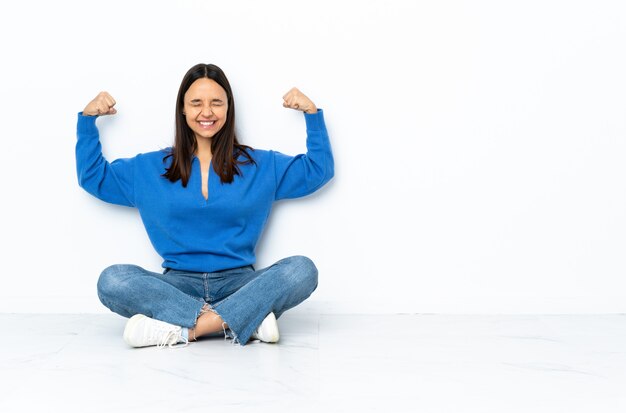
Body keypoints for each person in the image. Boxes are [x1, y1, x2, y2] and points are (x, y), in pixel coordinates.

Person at [75, 63, 334, 348]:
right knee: (113, 280)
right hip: (177, 286)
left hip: (240, 284)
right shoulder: (148, 168)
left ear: (228, 108)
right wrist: (88, 121)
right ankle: (245, 319)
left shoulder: (261, 165)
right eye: (196, 103)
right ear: (183, 109)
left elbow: (317, 171)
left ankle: (184, 329)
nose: (207, 112)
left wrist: (311, 114)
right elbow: (93, 177)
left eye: (216, 103)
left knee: (301, 270)